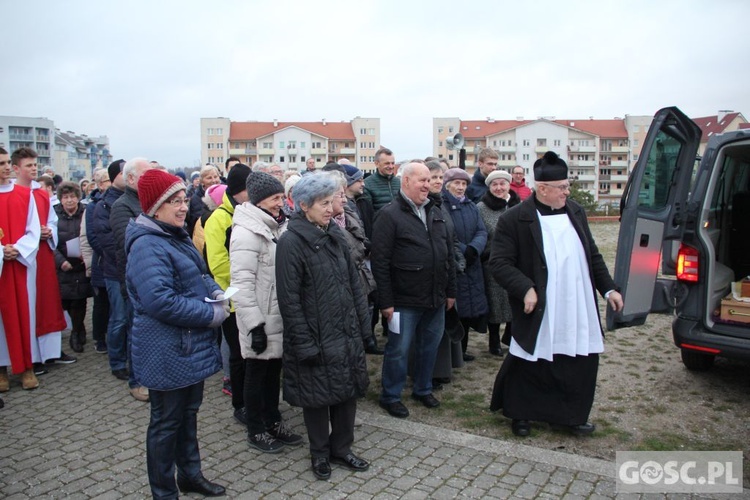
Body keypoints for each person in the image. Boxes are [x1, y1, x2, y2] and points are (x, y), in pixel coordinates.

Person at [489, 151, 624, 438]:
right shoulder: (515, 219)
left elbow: (593, 255)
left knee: (577, 360)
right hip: (540, 303)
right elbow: (499, 263)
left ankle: (570, 416)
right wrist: (525, 288)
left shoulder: (576, 211)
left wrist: (609, 288)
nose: (567, 192)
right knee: (530, 359)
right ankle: (521, 414)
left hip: (576, 301)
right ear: (543, 189)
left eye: (567, 186)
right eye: (562, 187)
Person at [125, 169, 228, 499]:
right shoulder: (147, 245)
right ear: (155, 207)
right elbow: (160, 301)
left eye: (184, 199)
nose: (183, 207)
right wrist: (211, 313)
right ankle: (163, 491)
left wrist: (216, 293)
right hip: (165, 350)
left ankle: (190, 475)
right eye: (174, 201)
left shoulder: (174, 235)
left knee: (188, 415)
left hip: (187, 347)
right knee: (165, 424)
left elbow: (200, 274)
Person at [276, 174, 371, 481]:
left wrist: (363, 325)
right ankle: (319, 453)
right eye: (323, 203)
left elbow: (354, 284)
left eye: (333, 201)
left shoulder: (335, 234)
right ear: (303, 206)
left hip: (345, 332)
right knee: (317, 397)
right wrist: (304, 342)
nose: (331, 208)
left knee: (346, 393)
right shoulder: (291, 242)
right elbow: (289, 299)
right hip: (315, 334)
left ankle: (342, 448)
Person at [372, 162, 457, 419]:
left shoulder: (436, 210)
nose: (427, 184)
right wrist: (386, 302)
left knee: (429, 347)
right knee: (398, 350)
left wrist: (450, 291)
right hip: (402, 302)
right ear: (406, 181)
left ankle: (423, 388)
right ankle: (391, 396)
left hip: (435, 298)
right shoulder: (389, 215)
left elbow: (448, 254)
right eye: (421, 180)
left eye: (429, 179)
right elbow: (380, 262)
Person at [230, 171, 303, 453]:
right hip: (259, 318)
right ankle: (256, 429)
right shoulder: (246, 232)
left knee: (274, 373)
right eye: (275, 198)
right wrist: (254, 325)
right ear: (259, 200)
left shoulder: (275, 225)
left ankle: (273, 420)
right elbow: (242, 284)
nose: (280, 203)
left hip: (277, 315)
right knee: (256, 374)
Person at [12, 148, 70, 368]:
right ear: (16, 168)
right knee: (28, 305)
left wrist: (49, 231)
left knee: (47, 301)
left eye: (35, 165)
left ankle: (50, 352)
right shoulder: (11, 193)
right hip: (22, 256)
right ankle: (31, 356)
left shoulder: (40, 193)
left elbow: (52, 221)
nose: (34, 169)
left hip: (43, 254)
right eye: (29, 165)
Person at [205, 163, 252, 426]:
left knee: (251, 354)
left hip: (251, 296)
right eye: (249, 189)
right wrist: (246, 276)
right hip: (232, 298)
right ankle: (239, 404)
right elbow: (218, 264)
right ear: (239, 191)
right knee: (237, 353)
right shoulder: (219, 219)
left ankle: (252, 398)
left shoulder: (249, 211)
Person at [110, 157, 153, 402]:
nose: (150, 179)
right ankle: (136, 381)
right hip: (134, 279)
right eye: (145, 175)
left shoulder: (150, 202)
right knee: (136, 331)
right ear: (131, 179)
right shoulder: (122, 205)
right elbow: (125, 240)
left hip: (154, 277)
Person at [0, 146, 43, 391]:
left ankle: (26, 366)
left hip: (19, 264)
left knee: (24, 313)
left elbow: (33, 229)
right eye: (1, 163)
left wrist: (17, 248)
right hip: (1, 266)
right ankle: (1, 370)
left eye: (7, 162)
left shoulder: (24, 195)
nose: (6, 167)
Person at [330, 173, 383, 355]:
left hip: (360, 275)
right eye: (340, 195)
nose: (345, 200)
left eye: (344, 194)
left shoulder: (349, 213)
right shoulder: (324, 225)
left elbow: (359, 238)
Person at [424, 160, 465, 386]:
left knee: (446, 321)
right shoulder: (424, 206)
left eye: (441, 177)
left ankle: (443, 369)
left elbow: (452, 238)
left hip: (448, 273)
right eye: (433, 177)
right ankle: (431, 374)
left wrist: (457, 259)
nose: (438, 181)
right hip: (431, 279)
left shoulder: (442, 205)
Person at [442, 168, 489, 362]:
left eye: (464, 184)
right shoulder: (442, 206)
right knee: (455, 310)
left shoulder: (471, 206)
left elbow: (482, 231)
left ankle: (463, 349)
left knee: (469, 310)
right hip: (455, 263)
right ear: (448, 185)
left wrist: (473, 249)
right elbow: (446, 234)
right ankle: (452, 354)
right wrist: (462, 249)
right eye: (457, 183)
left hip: (472, 261)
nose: (461, 187)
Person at [477, 170, 520, 357]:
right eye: (494, 185)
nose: (499, 188)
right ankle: (493, 341)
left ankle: (511, 338)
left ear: (509, 185)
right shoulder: (481, 208)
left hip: (517, 263)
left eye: (502, 184)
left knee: (515, 302)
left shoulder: (518, 205)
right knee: (496, 304)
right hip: (492, 262)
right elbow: (480, 233)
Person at [53, 182, 91, 353]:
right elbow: (49, 243)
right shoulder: (54, 214)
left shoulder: (86, 212)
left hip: (81, 264)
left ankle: (76, 333)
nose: (69, 200)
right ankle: (79, 327)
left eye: (73, 196)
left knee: (79, 300)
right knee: (66, 301)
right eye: (66, 197)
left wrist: (87, 255)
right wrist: (60, 261)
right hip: (63, 264)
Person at [80, 167, 110, 353]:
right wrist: (107, 254)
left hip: (113, 263)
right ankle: (99, 338)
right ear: (100, 185)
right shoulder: (93, 206)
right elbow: (93, 236)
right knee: (101, 303)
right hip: (102, 262)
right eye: (108, 180)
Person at [187, 165, 221, 236]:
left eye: (215, 177)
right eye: (209, 178)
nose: (214, 180)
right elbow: (199, 221)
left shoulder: (224, 193)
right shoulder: (196, 199)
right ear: (202, 182)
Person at [364, 147, 400, 212]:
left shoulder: (399, 182)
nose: (391, 166)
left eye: (393, 163)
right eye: (387, 163)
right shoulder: (367, 184)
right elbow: (367, 213)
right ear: (377, 164)